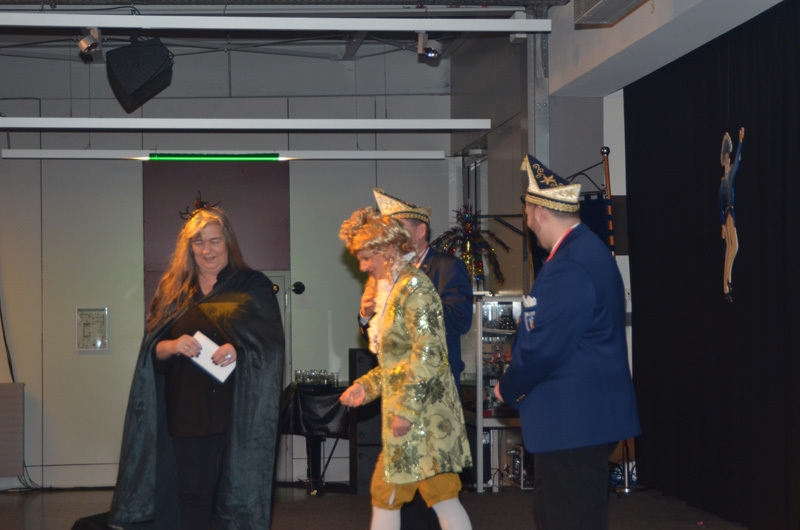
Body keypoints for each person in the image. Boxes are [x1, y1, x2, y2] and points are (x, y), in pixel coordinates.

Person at [110, 198, 285, 530]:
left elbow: (270, 345)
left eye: (214, 241)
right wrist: (173, 345)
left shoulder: (252, 286)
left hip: (236, 410)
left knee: (232, 495)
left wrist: (238, 349)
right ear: (188, 247)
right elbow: (152, 352)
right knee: (192, 494)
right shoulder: (173, 290)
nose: (207, 250)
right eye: (199, 242)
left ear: (228, 242)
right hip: (187, 409)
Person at [494, 155, 640, 530]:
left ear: (542, 213)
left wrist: (507, 387)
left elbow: (543, 347)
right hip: (580, 420)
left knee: (568, 519)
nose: (528, 223)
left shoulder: (570, 264)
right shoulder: (585, 252)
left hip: (572, 422)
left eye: (528, 213)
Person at [339, 207, 473, 530]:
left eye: (366, 257)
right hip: (413, 415)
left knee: (428, 496)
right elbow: (397, 361)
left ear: (387, 251)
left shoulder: (415, 288)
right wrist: (365, 386)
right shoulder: (396, 288)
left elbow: (428, 355)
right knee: (405, 496)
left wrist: (406, 411)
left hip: (423, 416)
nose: (362, 266)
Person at [365, 188, 473, 393]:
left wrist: (410, 305)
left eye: (399, 229)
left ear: (421, 231)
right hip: (396, 382)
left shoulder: (446, 266)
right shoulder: (389, 272)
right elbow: (376, 335)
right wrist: (365, 315)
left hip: (435, 385)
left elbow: (460, 320)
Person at [719, 127, 745, 302]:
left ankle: (727, 283)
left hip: (731, 213)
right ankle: (726, 283)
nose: (729, 162)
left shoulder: (730, 178)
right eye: (727, 160)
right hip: (728, 214)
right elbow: (719, 205)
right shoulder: (723, 183)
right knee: (733, 246)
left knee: (731, 248)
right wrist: (722, 223)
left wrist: (740, 141)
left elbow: (738, 162)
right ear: (724, 162)